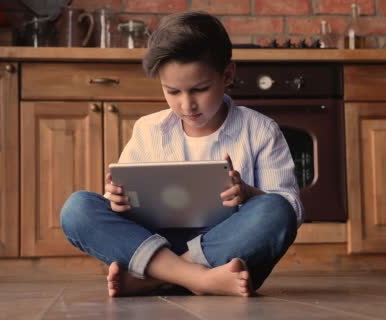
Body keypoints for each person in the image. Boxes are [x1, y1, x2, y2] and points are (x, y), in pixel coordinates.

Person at [60, 11, 303, 297]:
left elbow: (290, 210)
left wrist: (249, 194)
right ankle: (199, 279)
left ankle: (155, 278)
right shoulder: (148, 129)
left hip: (228, 245)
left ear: (227, 75)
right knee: (77, 208)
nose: (187, 105)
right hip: (157, 241)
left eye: (200, 89)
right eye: (172, 91)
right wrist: (117, 201)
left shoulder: (260, 130)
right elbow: (122, 207)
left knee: (276, 210)